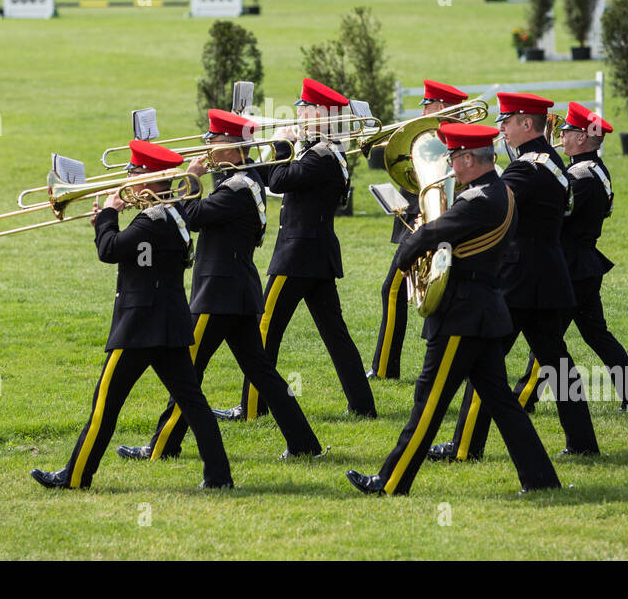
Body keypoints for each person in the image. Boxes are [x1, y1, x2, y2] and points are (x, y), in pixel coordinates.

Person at [346, 123, 560, 495]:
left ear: (468, 159)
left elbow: (429, 236)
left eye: (453, 157)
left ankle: (390, 482)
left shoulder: (478, 199)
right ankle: (541, 480)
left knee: (427, 404)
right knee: (504, 406)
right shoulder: (501, 192)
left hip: (461, 315)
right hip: (483, 312)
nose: (449, 165)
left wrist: (411, 242)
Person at [117, 111, 323, 462]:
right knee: (262, 372)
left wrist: (186, 179)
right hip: (235, 291)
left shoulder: (238, 188)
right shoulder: (242, 178)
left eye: (215, 141)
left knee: (188, 375)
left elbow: (193, 218)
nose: (208, 146)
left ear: (233, 148)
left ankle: (163, 446)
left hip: (219, 294)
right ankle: (304, 443)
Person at [30, 140, 233, 490]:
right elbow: (137, 254)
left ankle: (76, 477)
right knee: (194, 405)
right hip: (169, 325)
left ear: (149, 179)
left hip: (139, 326)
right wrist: (109, 222)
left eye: (134, 174)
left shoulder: (152, 221)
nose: (128, 181)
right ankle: (219, 478)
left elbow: (110, 251)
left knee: (104, 407)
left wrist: (107, 216)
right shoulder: (172, 214)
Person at [431, 93, 599, 461]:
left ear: (527, 124)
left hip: (519, 280)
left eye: (506, 121)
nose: (501, 128)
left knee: (484, 362)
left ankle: (464, 447)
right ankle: (582, 441)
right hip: (547, 276)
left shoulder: (526, 168)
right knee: (558, 364)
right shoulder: (550, 160)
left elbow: (492, 209)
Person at [217, 79, 377, 421]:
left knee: (264, 329)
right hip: (314, 256)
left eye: (304, 108)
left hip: (297, 256)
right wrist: (241, 152)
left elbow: (279, 181)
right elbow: (270, 174)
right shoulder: (318, 151)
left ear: (321, 113)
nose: (299, 113)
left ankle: (252, 407)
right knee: (336, 334)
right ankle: (362, 405)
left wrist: (278, 142)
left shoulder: (322, 156)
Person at [511, 102, 628, 413]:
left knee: (546, 343)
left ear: (584, 138)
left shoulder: (581, 175)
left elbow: (556, 213)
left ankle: (522, 400)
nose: (561, 134)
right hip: (583, 264)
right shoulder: (592, 169)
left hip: (572, 267)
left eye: (568, 131)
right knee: (596, 336)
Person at [369, 80, 468, 380]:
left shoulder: (448, 140)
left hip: (431, 223)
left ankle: (385, 368)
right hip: (421, 217)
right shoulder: (430, 138)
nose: (423, 110)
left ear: (441, 107)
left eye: (428, 105)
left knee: (397, 290)